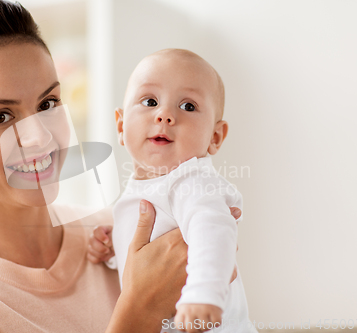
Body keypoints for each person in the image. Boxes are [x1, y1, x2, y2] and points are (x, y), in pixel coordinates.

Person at [0, 1, 241, 332]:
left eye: (48, 104)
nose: (37, 137)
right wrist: (138, 313)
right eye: (0, 116)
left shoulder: (120, 235)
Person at [87, 49, 256, 333]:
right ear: (120, 125)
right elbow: (148, 258)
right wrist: (113, 249)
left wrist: (203, 293)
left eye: (188, 106)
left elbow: (213, 232)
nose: (165, 115)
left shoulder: (191, 181)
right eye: (150, 101)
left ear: (215, 137)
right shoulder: (143, 188)